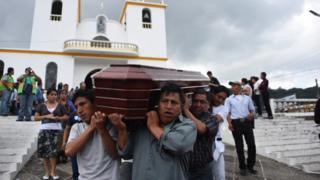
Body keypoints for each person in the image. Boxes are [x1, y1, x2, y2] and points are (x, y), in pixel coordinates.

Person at [109, 83, 197, 180]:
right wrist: (121, 130)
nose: (168, 106)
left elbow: (178, 145)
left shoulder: (188, 126)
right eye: (164, 101)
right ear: (157, 104)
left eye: (174, 102)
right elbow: (125, 153)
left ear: (181, 107)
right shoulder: (141, 126)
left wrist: (153, 127)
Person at [65, 90, 120, 180]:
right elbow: (69, 151)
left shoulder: (110, 125)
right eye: (76, 107)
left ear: (95, 104)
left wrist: (102, 129)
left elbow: (114, 154)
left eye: (82, 104)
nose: (79, 110)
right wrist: (91, 128)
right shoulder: (77, 127)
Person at [183, 89, 218, 180]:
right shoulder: (182, 117)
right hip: (183, 170)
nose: (198, 105)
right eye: (195, 101)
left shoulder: (212, 119)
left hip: (202, 172)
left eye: (202, 102)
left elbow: (201, 129)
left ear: (208, 105)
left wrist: (185, 109)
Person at [34, 88, 69, 180]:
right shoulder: (41, 106)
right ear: (47, 95)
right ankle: (46, 172)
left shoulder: (60, 106)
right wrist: (46, 116)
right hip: (44, 131)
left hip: (56, 131)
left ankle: (53, 172)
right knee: (45, 152)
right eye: (52, 94)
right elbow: (36, 118)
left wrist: (59, 118)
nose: (54, 96)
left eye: (55, 94)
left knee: (53, 153)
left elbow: (66, 116)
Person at [226, 81, 257, 176]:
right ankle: (242, 167)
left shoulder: (247, 98)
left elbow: (252, 110)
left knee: (251, 144)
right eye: (232, 86)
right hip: (236, 123)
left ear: (239, 87)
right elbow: (228, 112)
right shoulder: (229, 99)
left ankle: (250, 166)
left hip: (247, 122)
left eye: (235, 85)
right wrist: (229, 123)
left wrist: (251, 115)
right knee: (239, 146)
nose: (233, 87)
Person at [211, 86, 229, 180]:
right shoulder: (205, 104)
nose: (220, 100)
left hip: (216, 145)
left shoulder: (223, 108)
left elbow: (216, 119)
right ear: (213, 94)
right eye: (219, 97)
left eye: (223, 99)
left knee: (220, 175)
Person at [62, 111, 81, 180]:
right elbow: (67, 128)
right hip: (74, 146)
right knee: (75, 171)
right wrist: (64, 142)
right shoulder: (73, 114)